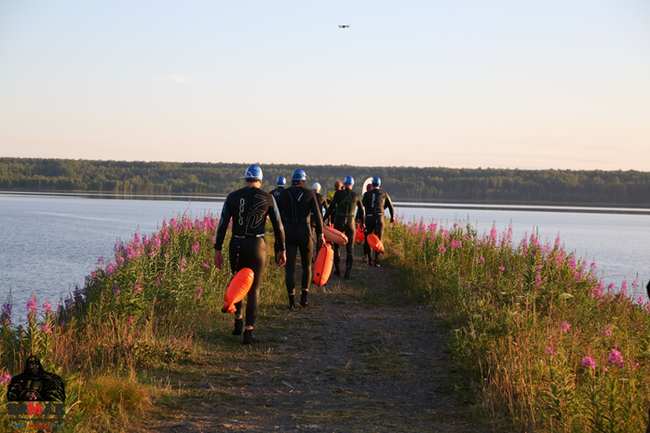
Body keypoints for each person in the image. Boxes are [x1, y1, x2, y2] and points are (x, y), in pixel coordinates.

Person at [214, 164, 287, 344]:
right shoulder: (268, 197)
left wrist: (218, 249)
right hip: (256, 246)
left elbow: (222, 224)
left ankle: (238, 320)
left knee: (237, 281)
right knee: (253, 290)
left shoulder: (232, 197)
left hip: (236, 244)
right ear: (260, 180)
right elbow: (278, 226)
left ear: (245, 179)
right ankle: (248, 332)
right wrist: (282, 249)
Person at [276, 169, 326, 308]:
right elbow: (317, 215)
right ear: (303, 181)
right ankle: (304, 299)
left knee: (290, 268)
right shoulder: (310, 193)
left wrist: (277, 238)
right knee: (306, 266)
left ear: (292, 180)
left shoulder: (284, 194)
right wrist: (321, 234)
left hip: (288, 232)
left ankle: (292, 302)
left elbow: (277, 216)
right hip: (305, 231)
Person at [324, 175, 365, 280]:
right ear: (352, 185)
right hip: (350, 222)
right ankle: (347, 273)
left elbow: (331, 208)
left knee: (337, 247)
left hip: (339, 221)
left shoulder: (338, 193)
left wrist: (323, 218)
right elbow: (362, 211)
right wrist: (362, 222)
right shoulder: (357, 196)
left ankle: (337, 271)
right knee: (350, 249)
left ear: (345, 184)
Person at [362, 177, 395, 267]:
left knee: (368, 238)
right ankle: (377, 261)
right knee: (379, 239)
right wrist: (392, 217)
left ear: (372, 185)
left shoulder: (366, 194)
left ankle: (369, 259)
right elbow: (391, 206)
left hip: (369, 218)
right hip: (380, 217)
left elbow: (361, 207)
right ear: (379, 185)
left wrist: (360, 219)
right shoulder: (385, 194)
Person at [311, 182, 329, 256]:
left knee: (311, 238)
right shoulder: (322, 198)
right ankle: (318, 254)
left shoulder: (310, 197)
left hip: (311, 219)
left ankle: (311, 255)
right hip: (319, 219)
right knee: (320, 238)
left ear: (313, 189)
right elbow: (327, 209)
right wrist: (328, 220)